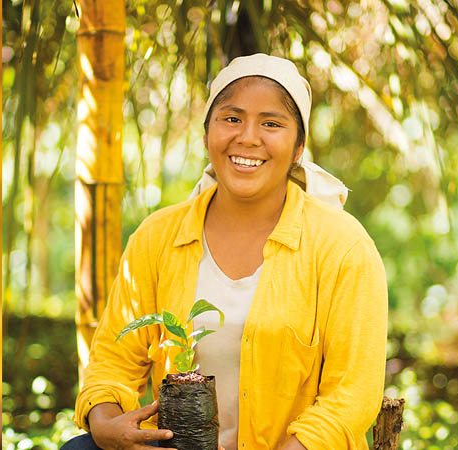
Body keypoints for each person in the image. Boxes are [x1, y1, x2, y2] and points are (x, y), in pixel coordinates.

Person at [63, 53, 387, 450]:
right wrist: (107, 424)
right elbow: (113, 362)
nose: (248, 137)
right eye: (231, 118)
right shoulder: (156, 237)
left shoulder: (343, 246)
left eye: (271, 123)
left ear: (299, 146)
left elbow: (351, 394)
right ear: (206, 135)